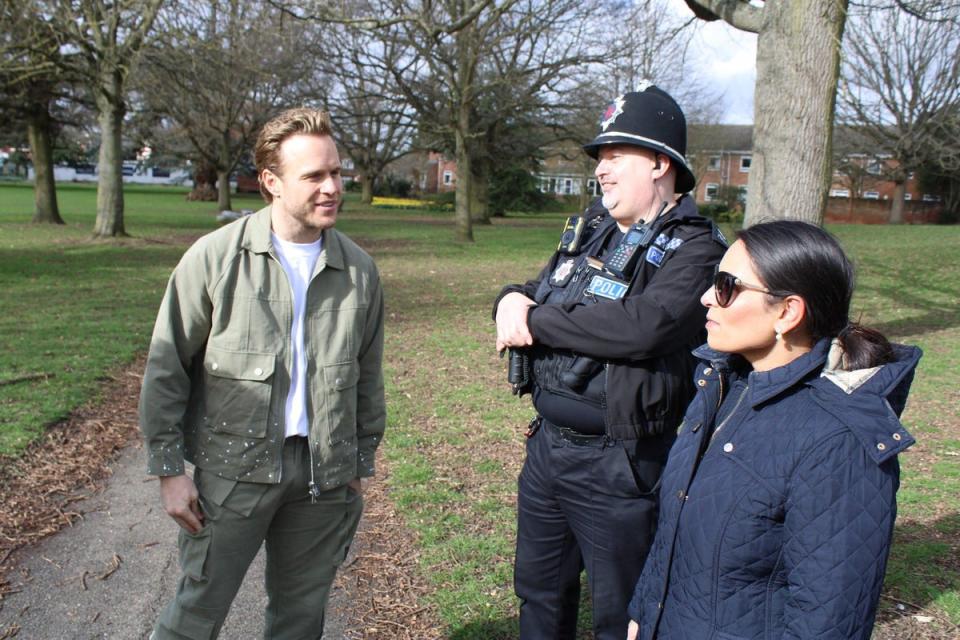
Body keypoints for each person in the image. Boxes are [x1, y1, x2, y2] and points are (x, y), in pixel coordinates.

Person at [139, 107, 386, 640]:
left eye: (336, 173)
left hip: (323, 478)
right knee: (197, 610)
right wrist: (168, 470)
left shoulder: (359, 271)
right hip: (232, 474)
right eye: (314, 176)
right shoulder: (214, 259)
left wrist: (359, 460)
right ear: (271, 182)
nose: (332, 188)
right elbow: (167, 368)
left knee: (300, 618)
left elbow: (367, 375)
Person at [493, 85, 726, 640]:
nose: (602, 171)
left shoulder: (696, 249)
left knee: (620, 613)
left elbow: (642, 326)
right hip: (548, 448)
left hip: (618, 463)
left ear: (660, 164)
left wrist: (537, 320)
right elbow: (539, 286)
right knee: (539, 592)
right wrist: (508, 298)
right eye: (600, 159)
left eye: (617, 157)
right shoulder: (594, 227)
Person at [627, 220, 922, 640]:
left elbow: (826, 621)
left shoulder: (838, 441)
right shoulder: (721, 385)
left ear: (787, 312)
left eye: (727, 286)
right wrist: (643, 612)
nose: (707, 297)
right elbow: (675, 527)